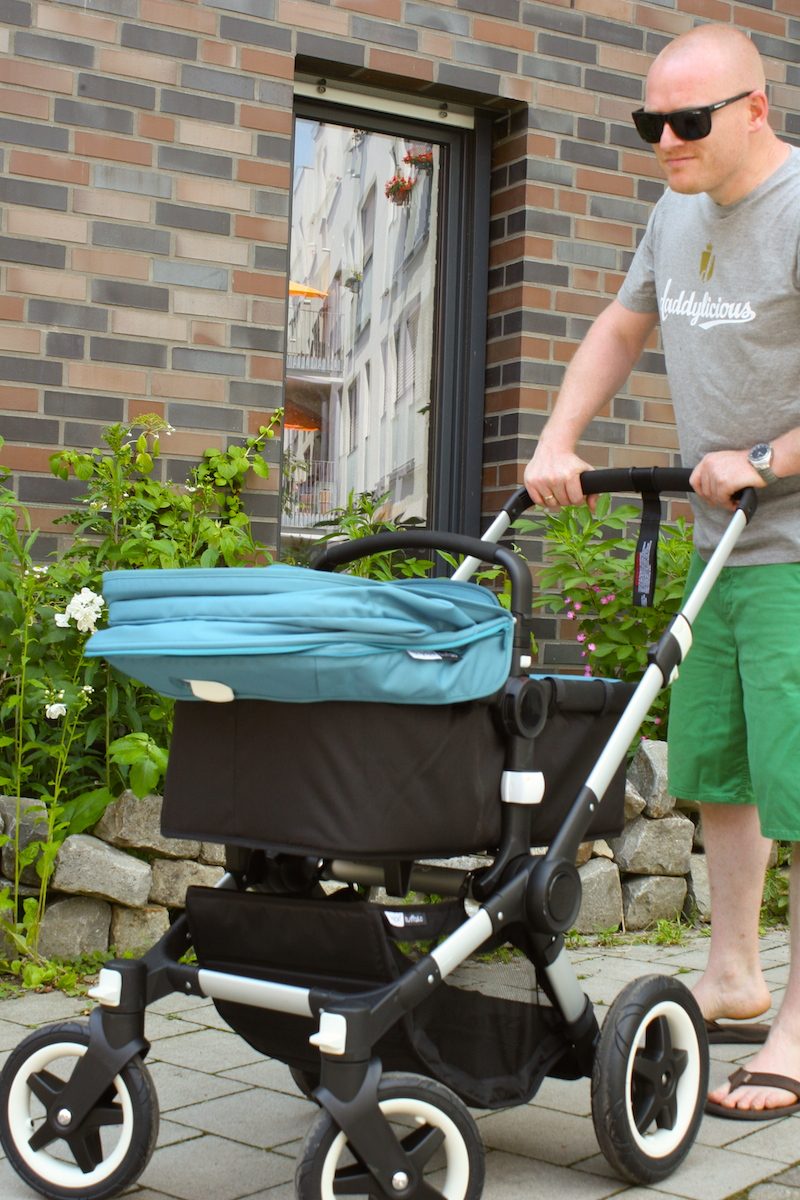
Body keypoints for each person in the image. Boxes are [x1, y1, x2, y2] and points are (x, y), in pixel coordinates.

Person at [524, 22, 800, 1119]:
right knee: (720, 773)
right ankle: (731, 974)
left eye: (687, 122)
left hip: (793, 547)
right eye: (649, 123)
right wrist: (557, 439)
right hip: (718, 545)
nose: (664, 142)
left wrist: (767, 458)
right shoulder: (672, 207)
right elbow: (619, 325)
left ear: (752, 111)